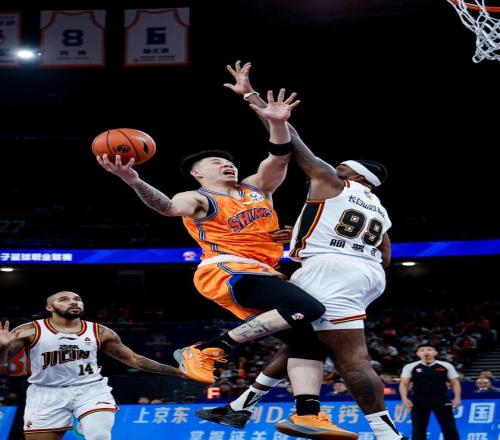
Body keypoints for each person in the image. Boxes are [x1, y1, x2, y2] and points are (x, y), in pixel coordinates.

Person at [96, 90, 351, 435]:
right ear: (197, 174)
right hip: (226, 269)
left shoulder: (257, 188)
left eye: (227, 161)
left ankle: (307, 413)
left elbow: (279, 156)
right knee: (309, 306)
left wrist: (277, 122)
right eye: (215, 162)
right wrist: (134, 180)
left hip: (266, 271)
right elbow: (168, 207)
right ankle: (208, 349)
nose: (225, 164)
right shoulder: (197, 197)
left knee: (308, 342)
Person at [198, 61, 404, 440]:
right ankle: (239, 407)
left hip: (331, 272)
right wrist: (303, 237)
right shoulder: (378, 208)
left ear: (354, 175)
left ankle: (386, 433)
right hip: (369, 275)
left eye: (341, 167)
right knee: (305, 339)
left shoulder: (334, 181)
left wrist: (253, 98)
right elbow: (386, 256)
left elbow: (291, 144)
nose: (334, 168)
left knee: (351, 357)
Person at [0, 291, 185, 439]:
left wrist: (178, 372)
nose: (73, 302)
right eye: (64, 300)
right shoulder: (30, 330)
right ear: (50, 307)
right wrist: (2, 347)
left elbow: (135, 360)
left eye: (77, 299)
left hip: (90, 390)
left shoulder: (99, 331)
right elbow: (2, 361)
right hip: (45, 392)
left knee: (99, 436)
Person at [399, 344, 461, 440]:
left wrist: (457, 398)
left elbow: (455, 383)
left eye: (429, 349)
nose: (426, 352)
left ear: (435, 353)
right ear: (418, 354)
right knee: (418, 427)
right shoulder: (410, 366)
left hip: (441, 398)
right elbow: (404, 384)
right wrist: (404, 398)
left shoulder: (446, 365)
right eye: (422, 350)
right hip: (419, 399)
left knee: (449, 426)